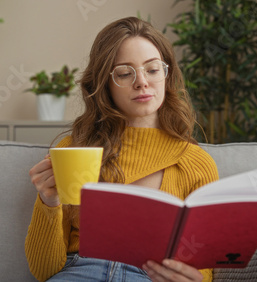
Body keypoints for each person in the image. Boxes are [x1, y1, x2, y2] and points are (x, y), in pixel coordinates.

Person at [25, 16, 219, 282]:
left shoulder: (196, 163)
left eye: (152, 69)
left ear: (167, 74)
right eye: (125, 73)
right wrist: (49, 202)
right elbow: (44, 271)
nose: (142, 82)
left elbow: (203, 270)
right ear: (105, 84)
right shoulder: (73, 150)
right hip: (80, 272)